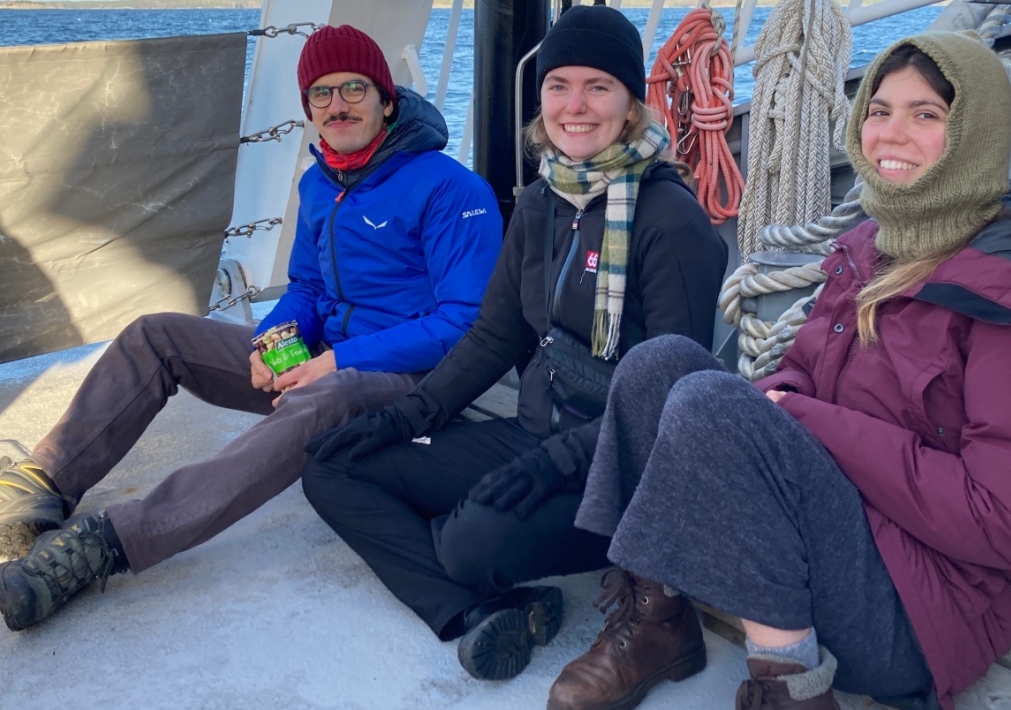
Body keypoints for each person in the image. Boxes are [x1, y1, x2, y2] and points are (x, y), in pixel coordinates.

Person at [547, 32, 1011, 710]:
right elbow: (801, 378)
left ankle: (791, 689)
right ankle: (657, 621)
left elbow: (1003, 521)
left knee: (710, 401)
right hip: (844, 530)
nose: (890, 133)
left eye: (926, 114)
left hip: (929, 612)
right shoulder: (875, 245)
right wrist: (768, 422)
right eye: (879, 110)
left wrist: (803, 421)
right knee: (659, 366)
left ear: (975, 133)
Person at [0, 24, 504, 632]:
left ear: (387, 100)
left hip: (412, 382)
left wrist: (334, 364)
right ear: (308, 106)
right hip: (329, 361)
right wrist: (271, 342)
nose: (337, 104)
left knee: (321, 396)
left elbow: (464, 323)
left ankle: (108, 544)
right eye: (321, 92)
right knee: (158, 335)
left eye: (355, 88)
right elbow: (307, 290)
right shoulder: (321, 183)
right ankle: (41, 486)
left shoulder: (451, 189)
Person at [298, 4, 728, 684]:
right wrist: (406, 416)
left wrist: (559, 460)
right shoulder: (541, 203)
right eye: (559, 86)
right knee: (332, 468)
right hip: (536, 434)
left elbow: (673, 393)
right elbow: (495, 334)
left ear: (629, 103)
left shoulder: (669, 219)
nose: (575, 105)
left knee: (471, 540)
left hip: (617, 467)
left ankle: (472, 566)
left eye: (598, 87)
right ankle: (478, 613)